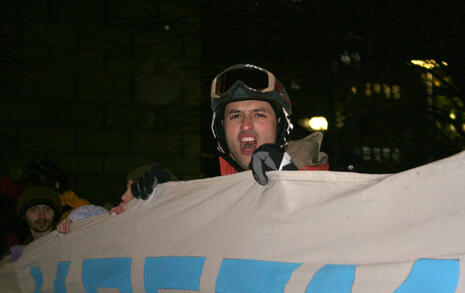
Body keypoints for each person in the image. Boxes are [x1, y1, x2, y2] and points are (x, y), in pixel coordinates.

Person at [126, 64, 329, 200]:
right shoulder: (214, 196)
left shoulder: (328, 186)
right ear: (221, 131)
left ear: (280, 126)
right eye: (235, 116)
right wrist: (167, 198)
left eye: (259, 115)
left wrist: (290, 179)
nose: (246, 125)